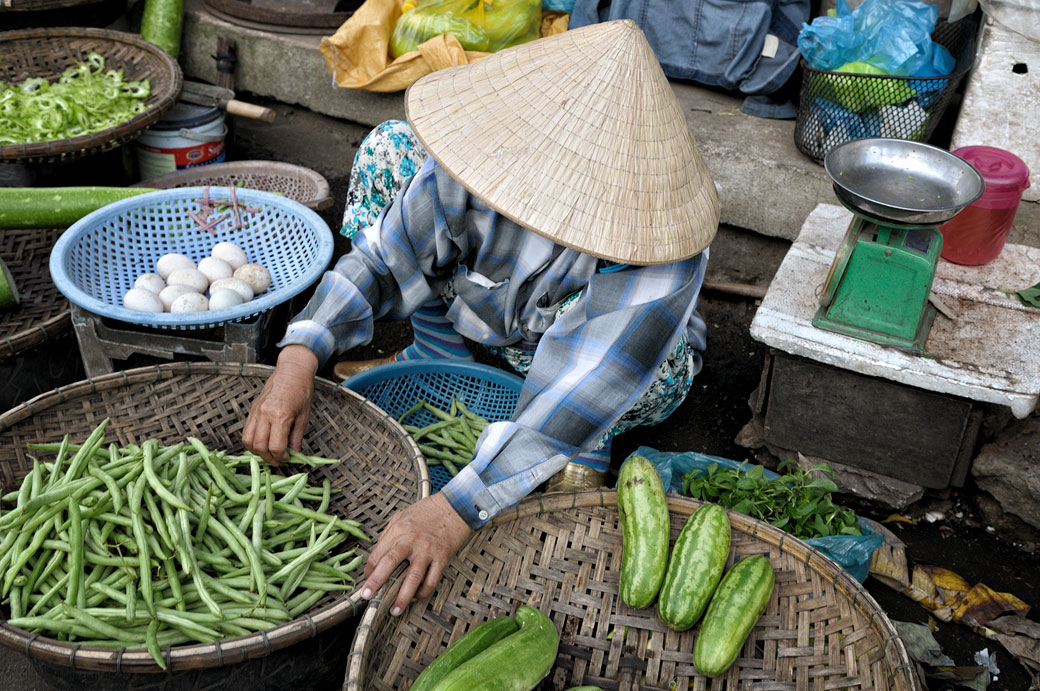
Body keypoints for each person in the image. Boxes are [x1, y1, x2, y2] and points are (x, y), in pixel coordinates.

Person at [243, 18, 720, 618]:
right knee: (393, 149)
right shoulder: (488, 155)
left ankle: (585, 448)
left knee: (636, 376)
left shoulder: (657, 245)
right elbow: (387, 261)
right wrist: (300, 354)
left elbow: (590, 381)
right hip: (492, 312)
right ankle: (441, 352)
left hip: (598, 366)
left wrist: (453, 510)